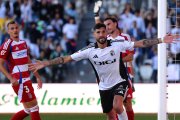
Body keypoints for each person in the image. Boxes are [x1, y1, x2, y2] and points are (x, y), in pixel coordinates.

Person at [28, 23, 178, 120]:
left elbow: (139, 43)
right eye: (98, 32)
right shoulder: (88, 50)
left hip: (120, 81)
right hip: (104, 86)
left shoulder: (117, 44)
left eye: (103, 32)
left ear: (107, 33)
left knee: (119, 105)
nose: (101, 34)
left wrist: (161, 40)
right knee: (110, 115)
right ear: (94, 35)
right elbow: (67, 58)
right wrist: (46, 63)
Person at [94, 1, 135, 119]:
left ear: (115, 24)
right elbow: (97, 29)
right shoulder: (105, 39)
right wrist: (96, 14)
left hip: (125, 73)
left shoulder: (124, 37)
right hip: (109, 74)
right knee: (112, 106)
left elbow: (130, 56)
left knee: (127, 104)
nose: (106, 27)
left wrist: (116, 60)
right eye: (105, 25)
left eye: (108, 24)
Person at [0, 20, 42, 120]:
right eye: (12, 28)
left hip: (26, 78)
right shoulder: (7, 45)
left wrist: (37, 76)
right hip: (19, 81)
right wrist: (10, 78)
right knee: (34, 107)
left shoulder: (23, 43)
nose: (15, 30)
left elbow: (28, 61)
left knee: (28, 109)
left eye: (16, 28)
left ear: (19, 29)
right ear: (8, 31)